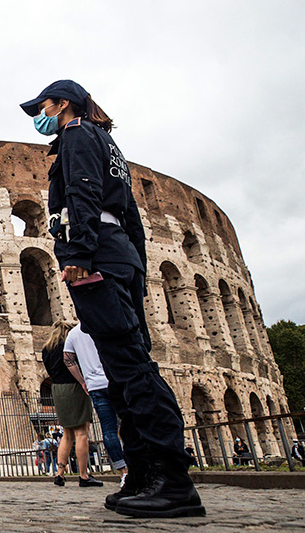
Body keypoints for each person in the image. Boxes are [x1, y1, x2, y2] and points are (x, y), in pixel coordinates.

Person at [21, 80, 205, 517]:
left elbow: (81, 191)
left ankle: (172, 480)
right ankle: (143, 474)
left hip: (97, 252)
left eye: (42, 108)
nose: (38, 117)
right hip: (118, 251)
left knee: (131, 369)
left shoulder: (77, 134)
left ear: (62, 104)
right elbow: (133, 218)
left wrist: (80, 252)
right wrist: (135, 269)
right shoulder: (107, 142)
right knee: (125, 368)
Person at [63, 323, 128, 483]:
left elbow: (68, 359)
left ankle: (123, 473)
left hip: (95, 386)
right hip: (116, 380)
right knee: (131, 425)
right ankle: (140, 467)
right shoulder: (103, 324)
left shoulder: (73, 333)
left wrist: (82, 381)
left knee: (109, 431)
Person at [42, 321, 102, 488]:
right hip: (74, 386)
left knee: (67, 434)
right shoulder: (69, 346)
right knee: (82, 432)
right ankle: (83, 475)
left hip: (57, 388)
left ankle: (59, 474)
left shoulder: (46, 349)